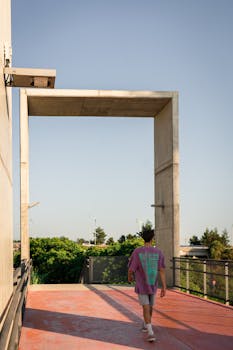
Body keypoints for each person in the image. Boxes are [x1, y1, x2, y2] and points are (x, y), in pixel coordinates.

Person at [128, 228, 166, 342]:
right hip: (153, 284)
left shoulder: (137, 251)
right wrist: (164, 287)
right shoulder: (158, 252)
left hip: (141, 285)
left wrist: (129, 277)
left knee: (148, 307)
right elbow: (162, 270)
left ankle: (145, 324)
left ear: (143, 238)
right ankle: (150, 332)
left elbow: (131, 268)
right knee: (147, 307)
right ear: (153, 238)